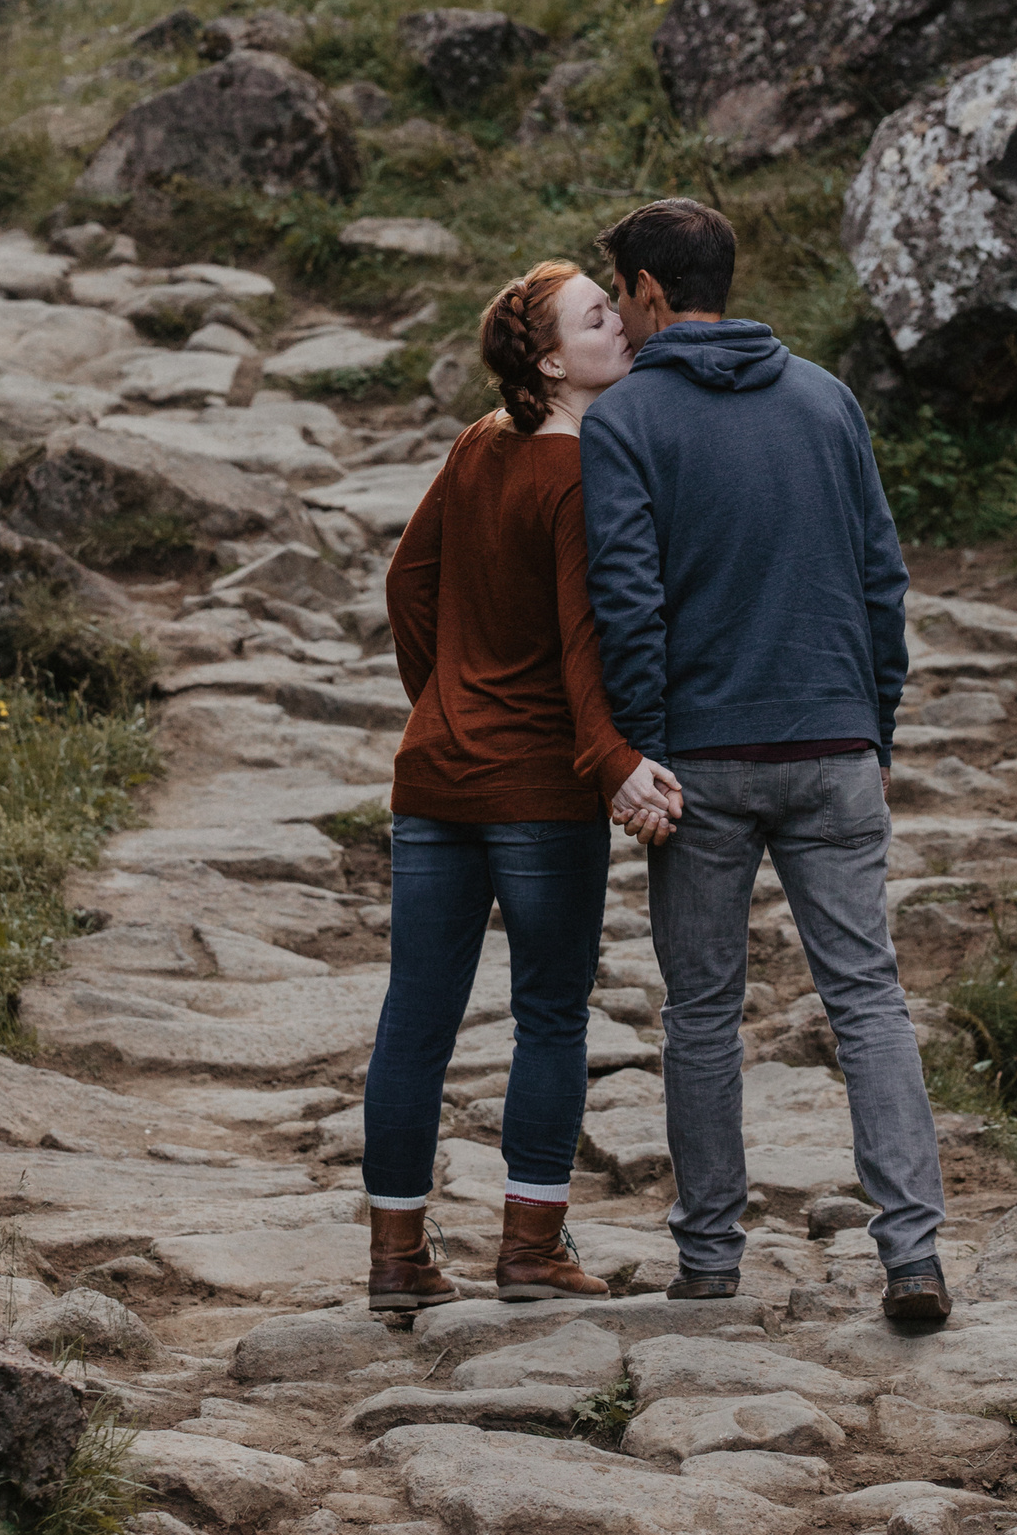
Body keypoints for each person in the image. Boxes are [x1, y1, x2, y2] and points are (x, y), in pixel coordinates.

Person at [579, 197, 949, 1324]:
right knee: (870, 1000)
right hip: (836, 743)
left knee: (701, 1013)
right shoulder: (826, 398)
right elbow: (883, 576)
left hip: (704, 763)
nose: (624, 323)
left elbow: (628, 606)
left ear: (648, 290)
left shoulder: (626, 420)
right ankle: (913, 1257)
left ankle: (710, 1257)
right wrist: (875, 722)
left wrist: (641, 748)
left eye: (623, 299)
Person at [363, 260, 683, 1314]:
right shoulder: (581, 472)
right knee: (550, 1013)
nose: (621, 326)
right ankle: (531, 1248)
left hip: (437, 774)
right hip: (539, 787)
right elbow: (583, 645)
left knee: (417, 1017)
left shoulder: (474, 445)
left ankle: (398, 1260)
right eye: (599, 317)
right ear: (551, 359)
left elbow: (409, 579)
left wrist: (442, 695)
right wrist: (614, 764)